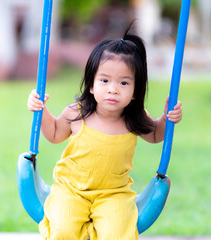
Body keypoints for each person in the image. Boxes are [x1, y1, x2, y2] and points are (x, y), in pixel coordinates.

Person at [27, 23, 183, 240]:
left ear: (136, 92)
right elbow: (53, 133)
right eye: (105, 80)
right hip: (71, 190)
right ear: (91, 85)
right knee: (63, 230)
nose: (113, 88)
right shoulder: (77, 113)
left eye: (124, 82)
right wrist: (40, 110)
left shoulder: (133, 119)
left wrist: (167, 118)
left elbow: (156, 135)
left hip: (113, 194)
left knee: (116, 235)